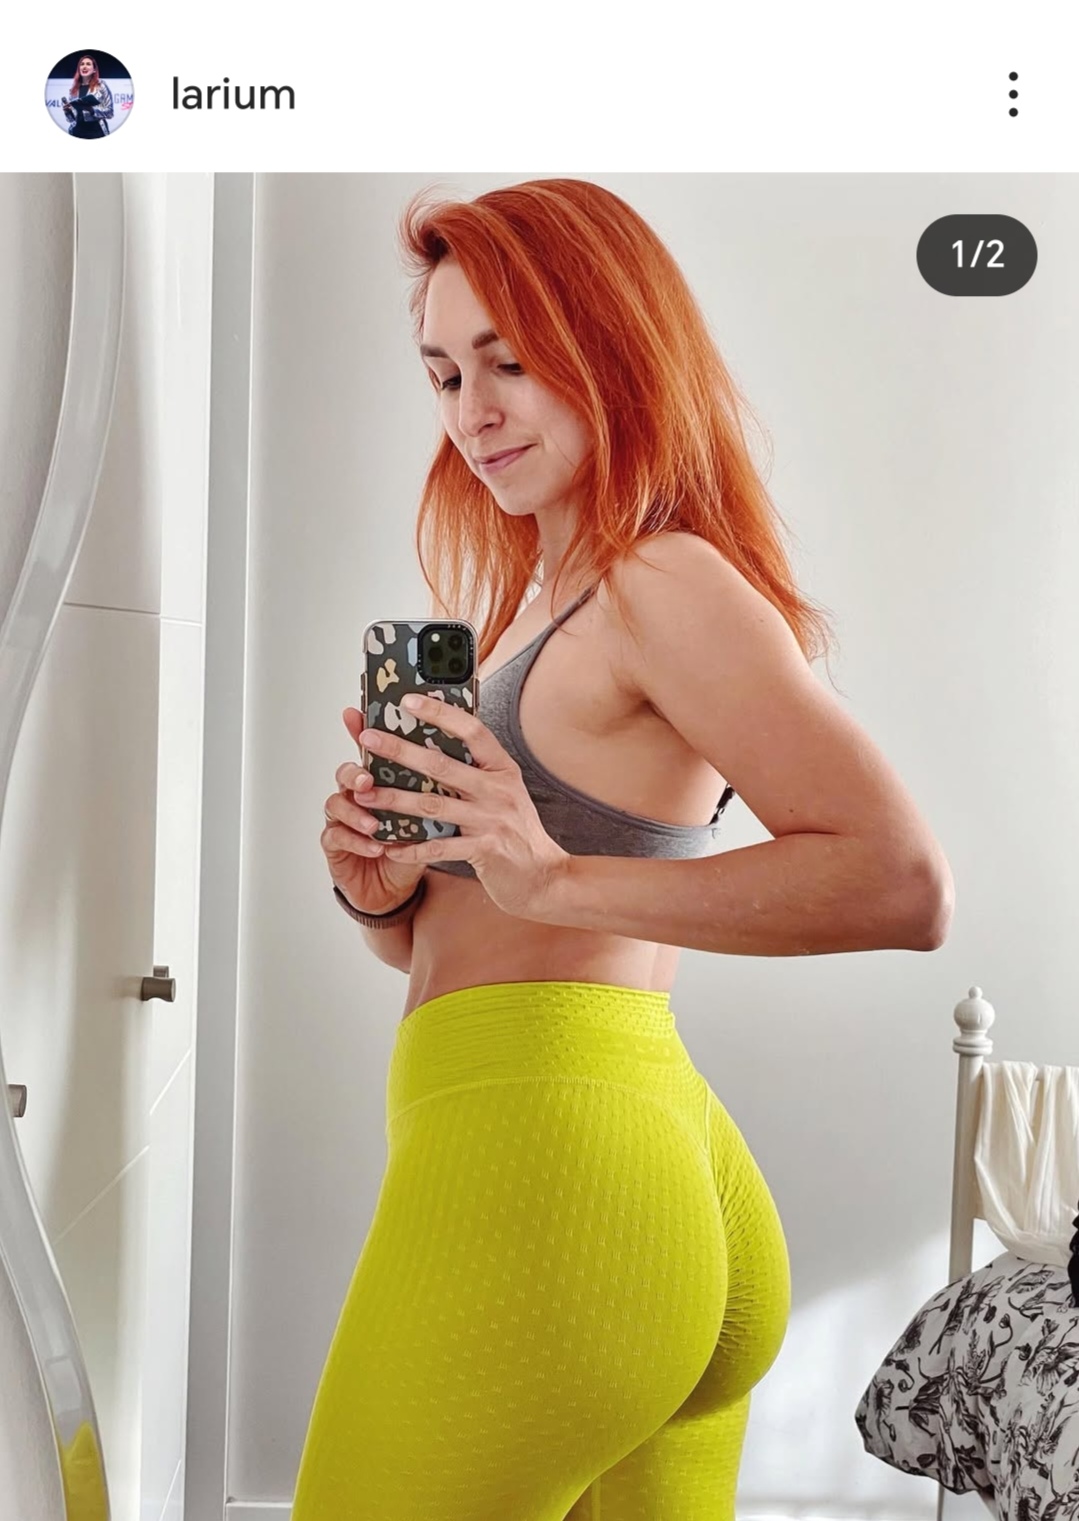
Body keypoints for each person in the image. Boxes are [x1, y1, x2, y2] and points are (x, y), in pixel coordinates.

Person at [298, 177, 954, 1520]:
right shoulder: (542, 597)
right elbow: (482, 947)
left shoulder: (660, 581)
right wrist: (381, 896)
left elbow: (898, 880)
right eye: (443, 374)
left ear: (609, 345)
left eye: (509, 362)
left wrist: (550, 875)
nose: (472, 412)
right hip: (619, 1156)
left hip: (552, 1177)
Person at [62, 56, 113, 139]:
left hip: (97, 131)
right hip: (77, 131)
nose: (84, 66)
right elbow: (71, 120)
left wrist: (92, 110)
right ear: (79, 69)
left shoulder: (101, 86)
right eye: (82, 64)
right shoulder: (73, 89)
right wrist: (67, 111)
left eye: (88, 64)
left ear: (94, 70)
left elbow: (110, 113)